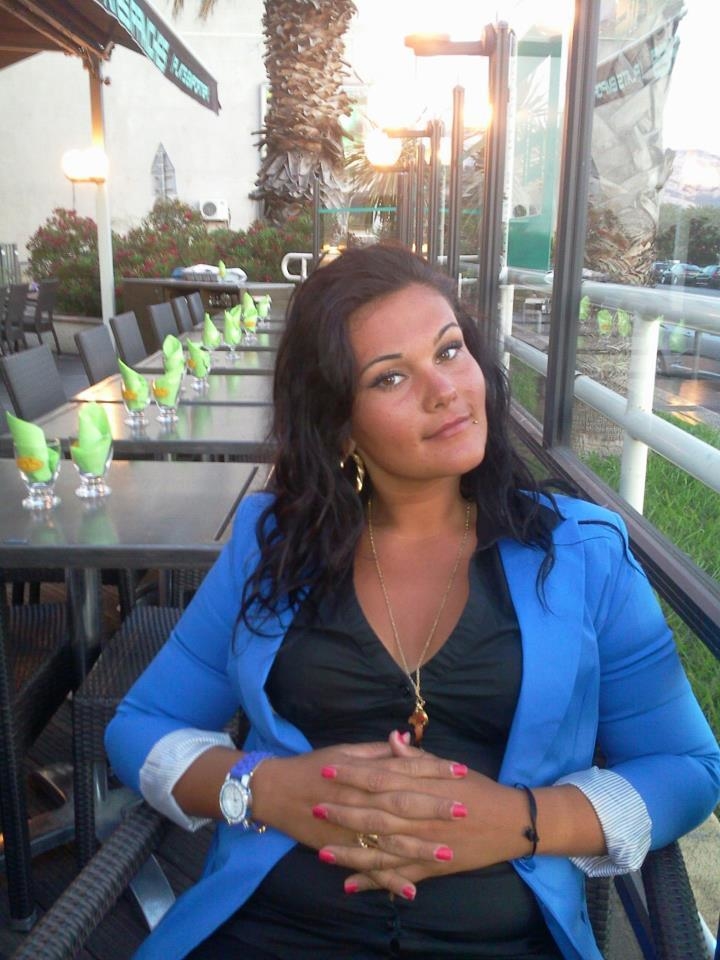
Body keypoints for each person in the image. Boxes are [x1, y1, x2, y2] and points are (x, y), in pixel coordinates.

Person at [106, 243, 720, 960]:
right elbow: (140, 726)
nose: (444, 390)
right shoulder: (272, 545)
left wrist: (522, 821)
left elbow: (687, 766)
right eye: (390, 376)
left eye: (450, 351)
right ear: (340, 425)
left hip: (503, 939)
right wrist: (264, 789)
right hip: (274, 929)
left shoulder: (583, 554)